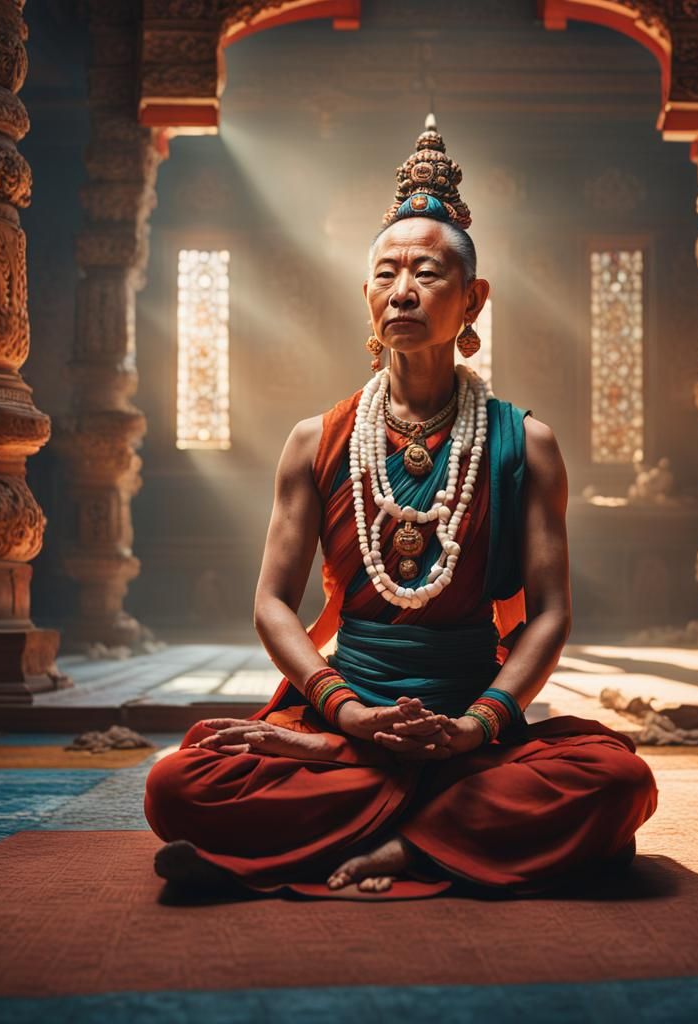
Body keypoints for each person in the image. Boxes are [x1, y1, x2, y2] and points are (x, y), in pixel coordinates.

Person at [144, 116, 658, 899]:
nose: (404, 291)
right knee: (177, 784)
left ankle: (388, 839)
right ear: (367, 298)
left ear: (473, 299)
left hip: (468, 724)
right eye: (386, 274)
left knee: (616, 779)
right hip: (345, 717)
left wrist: (477, 725)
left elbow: (551, 614)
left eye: (428, 273)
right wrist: (345, 715)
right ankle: (443, 830)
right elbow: (273, 605)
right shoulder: (316, 440)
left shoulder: (526, 443)